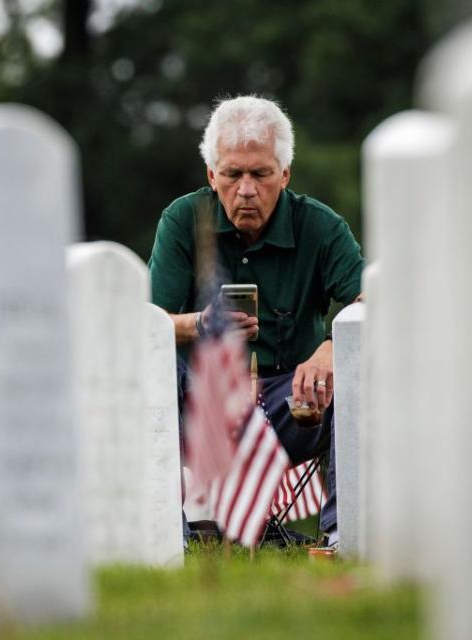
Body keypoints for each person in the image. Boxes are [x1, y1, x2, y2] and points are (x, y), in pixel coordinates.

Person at [148, 95, 364, 543]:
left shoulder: (321, 227)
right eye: (232, 174)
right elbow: (149, 326)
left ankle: (341, 537)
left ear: (284, 174)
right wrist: (198, 324)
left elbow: (374, 302)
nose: (246, 189)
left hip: (294, 406)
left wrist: (332, 348)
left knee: (357, 368)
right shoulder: (183, 218)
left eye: (261, 174)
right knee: (149, 365)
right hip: (201, 407)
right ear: (212, 174)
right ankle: (171, 537)